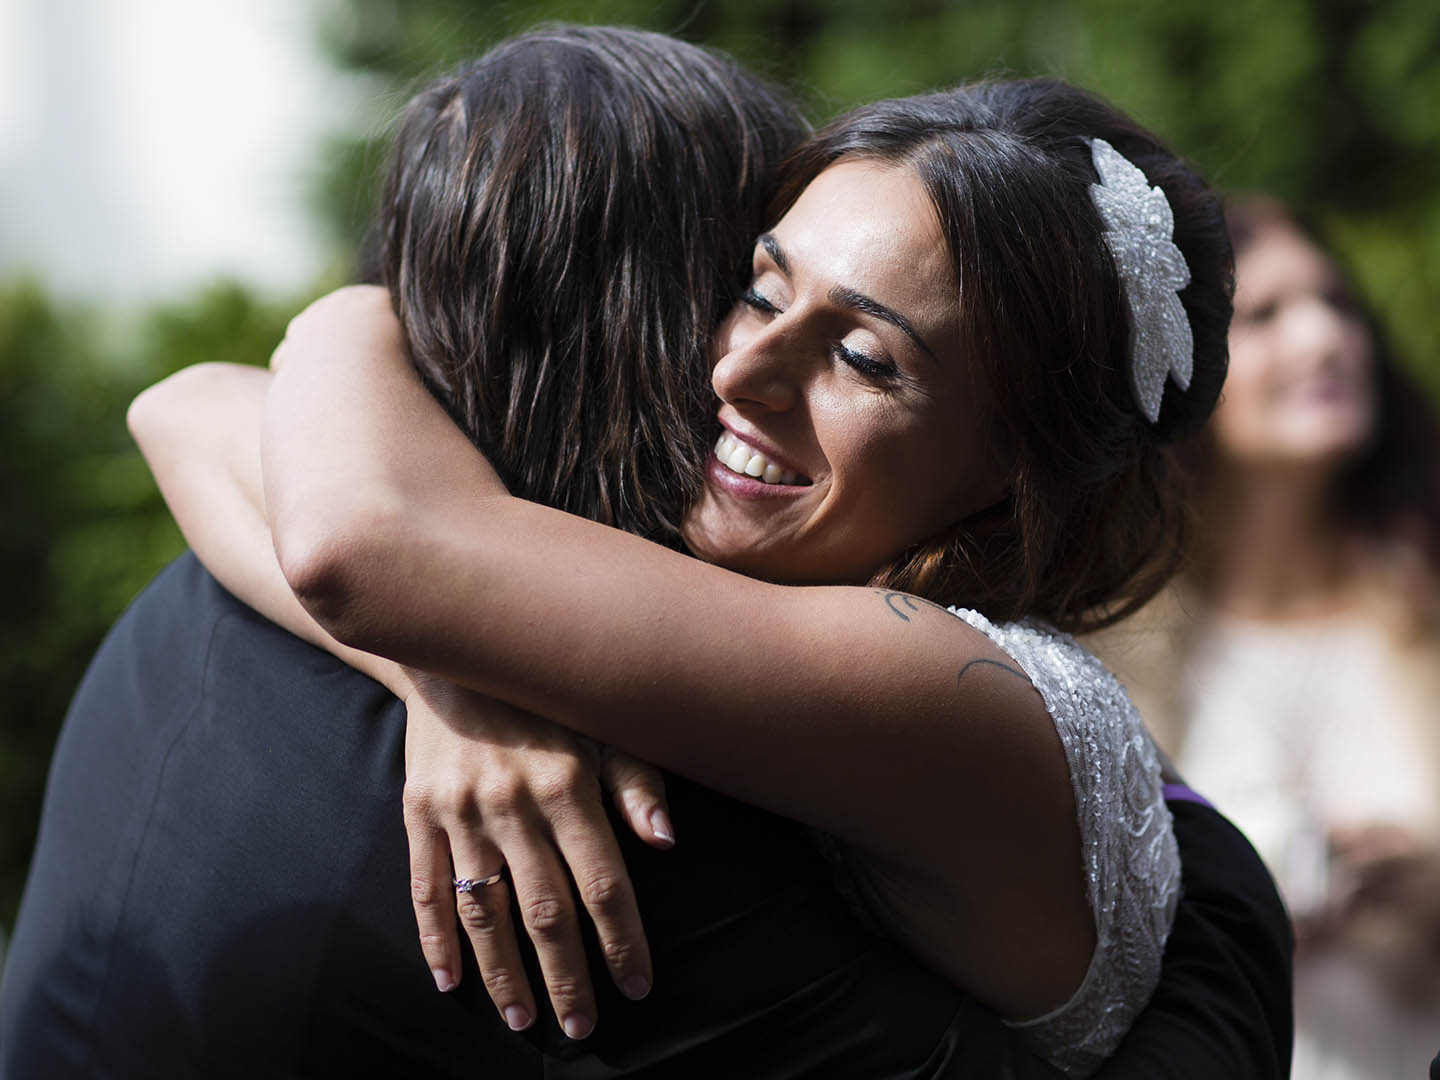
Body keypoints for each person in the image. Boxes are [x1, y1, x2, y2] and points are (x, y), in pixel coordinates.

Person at [3, 29, 1290, 1079]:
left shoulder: (930, 685)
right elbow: (181, 408)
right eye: (759, 284)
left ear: (1016, 487)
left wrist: (364, 307)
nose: (741, 367)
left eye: (863, 357)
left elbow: (356, 537)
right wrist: (447, 678)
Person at [1091, 196, 1440, 1080]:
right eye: (1268, 315)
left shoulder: (1424, 606)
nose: (1326, 338)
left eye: (1338, 303)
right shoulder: (1110, 642)